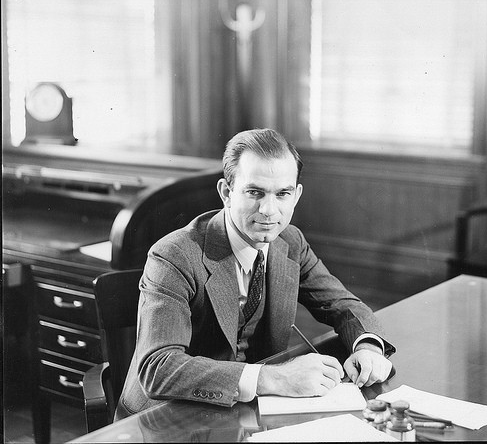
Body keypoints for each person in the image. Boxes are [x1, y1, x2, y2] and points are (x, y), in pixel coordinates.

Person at [115, 128, 395, 419]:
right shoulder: (174, 255)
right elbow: (158, 369)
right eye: (254, 192)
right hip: (164, 417)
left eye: (282, 194)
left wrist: (369, 347)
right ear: (226, 192)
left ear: (296, 196)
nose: (269, 210)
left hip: (244, 414)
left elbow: (342, 304)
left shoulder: (290, 242)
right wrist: (273, 378)